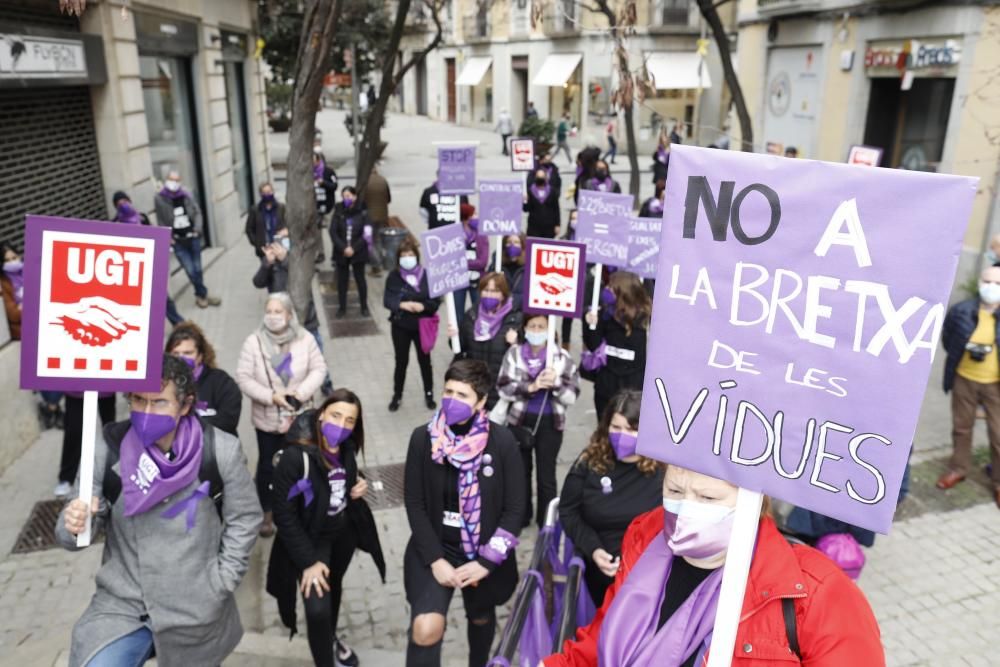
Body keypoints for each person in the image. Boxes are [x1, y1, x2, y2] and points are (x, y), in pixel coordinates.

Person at [542, 465, 885, 666]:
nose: (685, 508)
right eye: (675, 490)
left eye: (708, 498)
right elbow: (598, 644)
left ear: (755, 501)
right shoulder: (646, 536)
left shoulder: (818, 592)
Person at [56, 355, 262, 667]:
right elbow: (73, 535)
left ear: (185, 405)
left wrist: (221, 579)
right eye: (138, 400)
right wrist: (75, 522)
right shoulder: (106, 447)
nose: (147, 412)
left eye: (160, 403)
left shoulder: (219, 450)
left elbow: (245, 517)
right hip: (123, 604)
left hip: (195, 605)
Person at [403, 359, 526, 667]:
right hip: (435, 548)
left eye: (462, 395)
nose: (452, 401)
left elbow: (514, 510)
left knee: (481, 620)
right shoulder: (422, 439)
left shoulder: (502, 443)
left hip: (484, 555)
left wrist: (487, 562)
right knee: (425, 629)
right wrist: (435, 559)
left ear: (481, 401)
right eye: (448, 392)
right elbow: (415, 505)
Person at [268, 395, 386, 667]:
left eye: (349, 420)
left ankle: (330, 638)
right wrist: (308, 562)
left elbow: (339, 479)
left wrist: (359, 483)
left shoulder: (347, 446)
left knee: (334, 584)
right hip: (311, 539)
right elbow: (284, 515)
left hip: (342, 532)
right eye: (335, 416)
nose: (341, 425)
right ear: (321, 414)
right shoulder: (296, 457)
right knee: (317, 609)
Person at [557, 389, 663, 606]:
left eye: (632, 429)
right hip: (600, 572)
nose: (622, 435)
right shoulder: (590, 462)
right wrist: (594, 549)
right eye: (616, 427)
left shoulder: (664, 470)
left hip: (648, 575)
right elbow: (569, 511)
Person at [236, 292, 328, 537]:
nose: (273, 317)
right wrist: (270, 396)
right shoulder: (253, 343)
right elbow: (244, 378)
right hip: (268, 420)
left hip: (300, 418)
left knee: (301, 464)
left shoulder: (305, 339)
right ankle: (266, 511)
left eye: (279, 312)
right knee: (268, 466)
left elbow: (319, 369)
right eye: (269, 311)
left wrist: (301, 392)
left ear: (289, 315)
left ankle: (299, 508)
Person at [497, 313, 580, 527]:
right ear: (525, 328)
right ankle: (521, 516)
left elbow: (572, 395)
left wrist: (556, 385)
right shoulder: (514, 354)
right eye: (532, 326)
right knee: (520, 473)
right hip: (519, 420)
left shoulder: (561, 358)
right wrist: (530, 387)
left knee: (546, 476)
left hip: (551, 423)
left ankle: (547, 521)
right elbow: (503, 387)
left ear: (549, 329)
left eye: (541, 326)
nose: (536, 331)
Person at [938, 265, 1000, 507]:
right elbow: (948, 339)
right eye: (987, 281)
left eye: (997, 284)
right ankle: (958, 468)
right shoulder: (961, 311)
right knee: (961, 428)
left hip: (995, 383)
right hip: (964, 377)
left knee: (998, 434)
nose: (991, 287)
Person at [385, 235, 441, 412]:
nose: (407, 258)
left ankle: (429, 393)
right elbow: (387, 300)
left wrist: (422, 306)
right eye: (403, 255)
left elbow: (435, 301)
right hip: (401, 326)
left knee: (425, 361)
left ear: (416, 256)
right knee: (401, 361)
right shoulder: (394, 276)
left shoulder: (427, 275)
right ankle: (397, 394)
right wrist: (401, 304)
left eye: (410, 254)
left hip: (422, 327)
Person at [583, 271, 650, 417]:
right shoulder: (605, 316)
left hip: (632, 391)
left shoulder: (646, 321)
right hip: (606, 388)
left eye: (611, 287)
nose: (606, 290)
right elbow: (593, 345)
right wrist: (590, 324)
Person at [450, 272, 521, 410]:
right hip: (475, 388)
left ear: (504, 294)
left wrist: (517, 343)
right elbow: (461, 349)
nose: (489, 295)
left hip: (500, 391)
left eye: (495, 291)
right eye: (486, 290)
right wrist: (454, 337)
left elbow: (526, 354)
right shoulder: (471, 315)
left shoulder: (515, 319)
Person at [113, 191, 185, 325]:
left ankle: (178, 323)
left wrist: (165, 240)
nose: (123, 205)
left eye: (125, 202)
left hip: (148, 264)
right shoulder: (115, 223)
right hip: (131, 269)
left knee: (163, 298)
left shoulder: (142, 218)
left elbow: (153, 233)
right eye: (120, 204)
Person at [154, 171, 222, 308]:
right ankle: (203, 294)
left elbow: (197, 212)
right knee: (190, 270)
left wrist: (197, 229)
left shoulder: (186, 194)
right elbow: (161, 220)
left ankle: (201, 296)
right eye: (171, 179)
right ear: (166, 180)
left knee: (197, 269)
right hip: (178, 241)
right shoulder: (160, 198)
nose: (174, 183)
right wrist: (168, 237)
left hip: (193, 237)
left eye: (176, 180)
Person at [166, 321, 242, 436]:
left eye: (188, 353)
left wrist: (184, 427)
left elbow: (227, 422)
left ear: (200, 356)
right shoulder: (162, 385)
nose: (181, 359)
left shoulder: (222, 383)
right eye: (176, 354)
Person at [55, 391, 117, 498]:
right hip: (76, 387)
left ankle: (111, 475)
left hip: (105, 385)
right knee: (73, 430)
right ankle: (67, 477)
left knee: (109, 429)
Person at [329, 186, 371, 318]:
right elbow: (333, 231)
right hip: (342, 252)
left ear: (355, 196)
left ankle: (364, 306)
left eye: (349, 196)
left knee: (360, 279)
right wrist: (343, 248)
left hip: (358, 252)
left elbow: (367, 233)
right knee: (342, 281)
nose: (346, 198)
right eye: (344, 196)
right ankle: (342, 307)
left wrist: (354, 248)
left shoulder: (363, 210)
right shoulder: (338, 210)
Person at [456, 203, 490, 318]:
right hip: (458, 281)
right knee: (457, 315)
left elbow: (483, 262)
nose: (477, 216)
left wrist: (463, 263)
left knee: (479, 313)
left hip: (477, 280)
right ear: (466, 217)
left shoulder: (481, 234)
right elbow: (451, 261)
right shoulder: (454, 235)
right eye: (474, 214)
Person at [245, 182, 287, 258]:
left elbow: (288, 224)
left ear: (273, 191)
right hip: (264, 249)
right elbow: (249, 229)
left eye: (269, 192)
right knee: (266, 268)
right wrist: (257, 242)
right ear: (261, 194)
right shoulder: (255, 210)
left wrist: (285, 232)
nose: (267, 195)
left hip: (279, 247)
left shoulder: (281, 208)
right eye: (264, 193)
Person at [364, 166, 392, 277]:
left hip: (368, 217)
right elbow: (389, 199)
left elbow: (360, 200)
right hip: (382, 216)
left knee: (368, 241)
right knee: (378, 240)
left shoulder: (365, 182)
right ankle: (380, 260)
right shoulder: (383, 180)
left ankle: (376, 265)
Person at [524, 167, 561, 239]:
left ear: (546, 178)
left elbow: (556, 208)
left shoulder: (552, 191)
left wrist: (557, 224)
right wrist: (525, 201)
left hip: (549, 227)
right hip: (534, 227)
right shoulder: (530, 191)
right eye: (538, 177)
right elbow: (526, 209)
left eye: (542, 176)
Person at [1, 240, 23, 340]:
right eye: (7, 260)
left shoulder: (29, 271)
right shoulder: (3, 283)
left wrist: (23, 306)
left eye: (14, 258)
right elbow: (13, 315)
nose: (12, 262)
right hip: (21, 330)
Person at [500, 234, 526, 310]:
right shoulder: (497, 265)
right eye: (509, 242)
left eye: (516, 242)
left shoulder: (529, 267)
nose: (512, 245)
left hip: (520, 311)